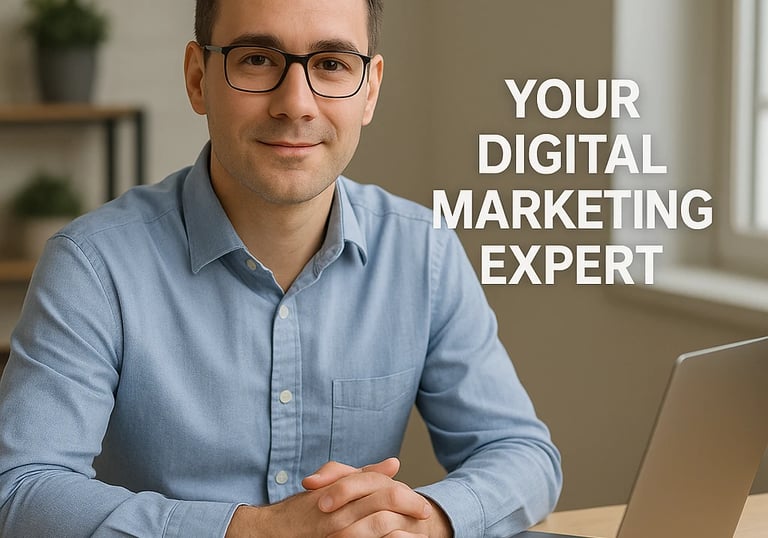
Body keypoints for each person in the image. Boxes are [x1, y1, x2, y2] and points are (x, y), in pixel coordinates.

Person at [0, 0, 562, 536]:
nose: (296, 103)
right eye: (257, 59)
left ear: (369, 91)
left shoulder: (424, 253)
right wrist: (249, 532)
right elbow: (20, 490)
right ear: (199, 78)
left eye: (333, 64)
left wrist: (430, 519)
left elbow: (522, 454)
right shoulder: (94, 265)